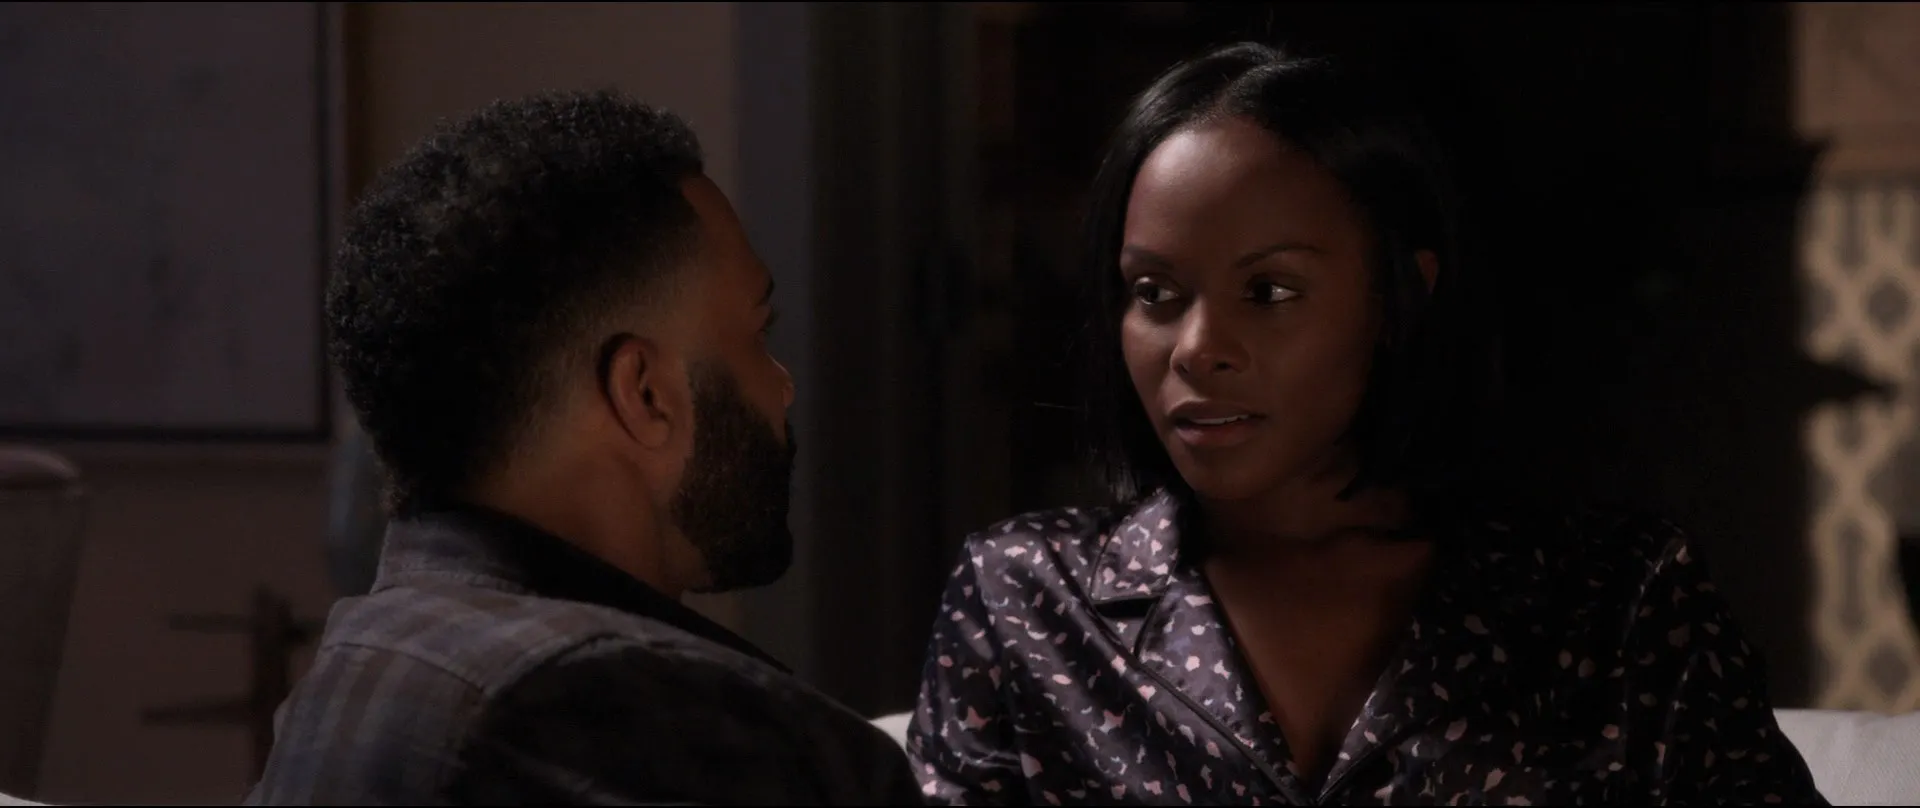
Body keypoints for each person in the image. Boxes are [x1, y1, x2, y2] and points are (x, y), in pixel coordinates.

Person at [908, 42, 1828, 806]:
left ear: (1397, 296)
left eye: (1269, 291)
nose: (1197, 349)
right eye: (1155, 292)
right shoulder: (1026, 605)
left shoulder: (1616, 605)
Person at [247, 90, 921, 806]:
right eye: (757, 333)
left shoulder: (364, 661)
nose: (781, 386)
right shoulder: (601, 711)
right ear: (645, 394)